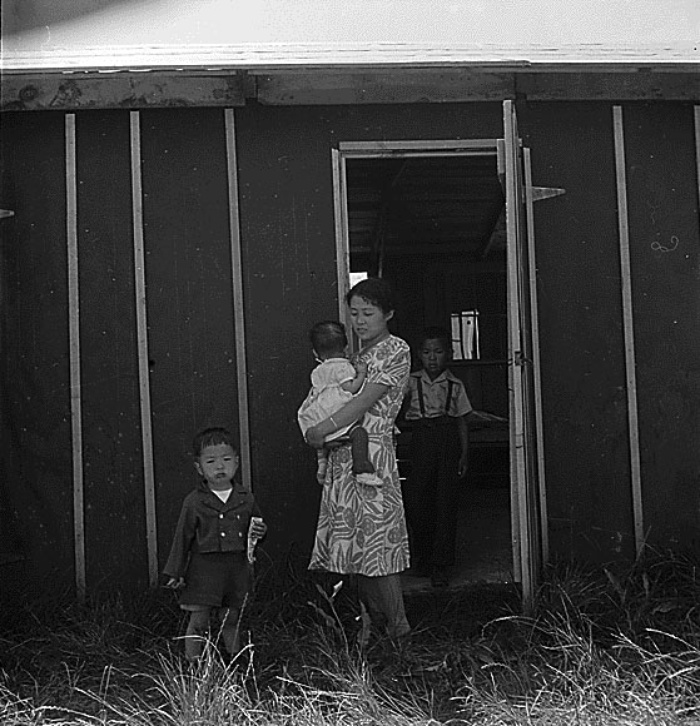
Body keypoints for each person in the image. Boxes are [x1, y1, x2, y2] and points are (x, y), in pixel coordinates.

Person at [305, 277, 411, 642]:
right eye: (354, 313)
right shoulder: (354, 356)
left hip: (373, 455)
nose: (360, 320)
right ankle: (370, 626)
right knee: (355, 548)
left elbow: (363, 402)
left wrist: (321, 428)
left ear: (388, 314)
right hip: (342, 456)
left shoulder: (396, 350)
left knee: (380, 543)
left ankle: (399, 629)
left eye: (368, 313)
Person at [163, 427, 267, 662]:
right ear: (199, 467)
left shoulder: (246, 498)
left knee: (231, 619)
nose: (220, 467)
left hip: (235, 570)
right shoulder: (194, 501)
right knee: (199, 619)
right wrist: (175, 571)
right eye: (211, 461)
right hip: (203, 571)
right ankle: (194, 664)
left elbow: (256, 529)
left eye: (226, 460)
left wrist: (261, 531)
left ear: (237, 463)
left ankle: (237, 663)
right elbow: (183, 537)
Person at [401, 326, 471, 588]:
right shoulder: (410, 382)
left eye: (438, 352)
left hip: (447, 441)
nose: (433, 358)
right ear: (419, 355)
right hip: (419, 441)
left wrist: (464, 455)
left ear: (449, 354)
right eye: (427, 352)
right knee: (418, 500)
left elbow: (462, 422)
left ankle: (441, 564)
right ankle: (422, 559)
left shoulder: (455, 385)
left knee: (445, 501)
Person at [297, 320, 381, 487]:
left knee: (321, 438)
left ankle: (321, 465)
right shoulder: (343, 367)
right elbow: (351, 388)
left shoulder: (318, 370)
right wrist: (362, 374)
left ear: (315, 353)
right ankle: (362, 468)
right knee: (359, 434)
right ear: (345, 348)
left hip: (321, 413)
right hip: (338, 412)